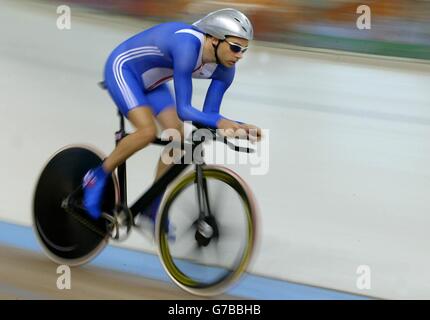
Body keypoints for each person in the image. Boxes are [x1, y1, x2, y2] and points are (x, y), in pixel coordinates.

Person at [82, 8, 262, 230]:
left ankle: (152, 204)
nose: (239, 56)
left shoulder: (226, 70)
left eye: (244, 50)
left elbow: (210, 116)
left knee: (178, 139)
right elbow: (184, 110)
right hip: (123, 69)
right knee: (147, 132)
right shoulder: (187, 45)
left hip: (153, 83)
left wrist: (240, 127)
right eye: (235, 48)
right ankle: (96, 176)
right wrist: (223, 124)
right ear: (214, 39)